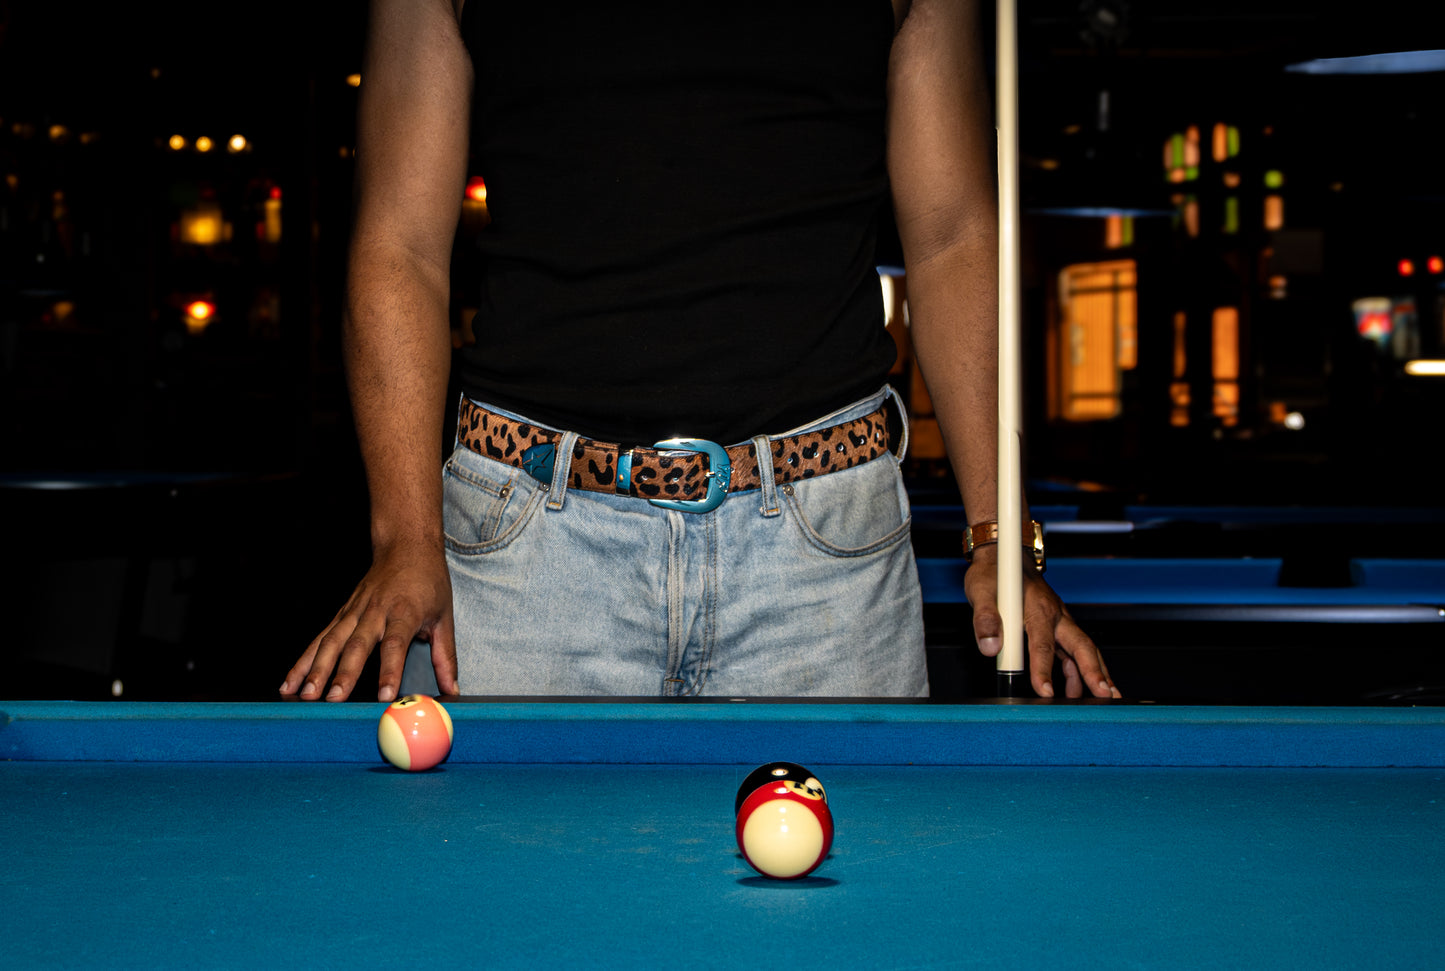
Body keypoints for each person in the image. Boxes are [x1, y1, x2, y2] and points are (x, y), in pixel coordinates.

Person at [280, 0, 1118, 703]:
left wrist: (999, 534)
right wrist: (404, 537)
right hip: (526, 554)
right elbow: (398, 243)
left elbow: (950, 238)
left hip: (825, 558)